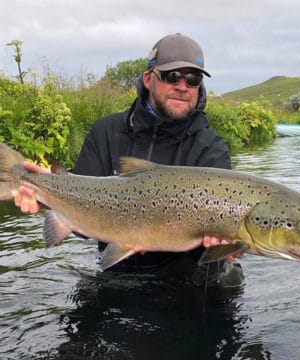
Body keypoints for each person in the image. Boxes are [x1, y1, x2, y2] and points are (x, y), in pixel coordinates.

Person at [14, 33, 244, 287]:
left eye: (193, 79)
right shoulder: (106, 132)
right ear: (148, 78)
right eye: (171, 76)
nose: (182, 86)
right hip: (115, 276)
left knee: (228, 281)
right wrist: (47, 195)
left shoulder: (211, 148)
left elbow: (226, 235)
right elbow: (80, 220)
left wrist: (227, 246)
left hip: (184, 282)